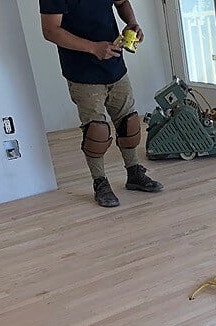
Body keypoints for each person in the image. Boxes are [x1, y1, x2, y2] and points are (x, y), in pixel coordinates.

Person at [40, 0, 164, 207]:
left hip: (115, 64)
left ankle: (134, 173)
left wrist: (132, 23)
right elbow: (50, 30)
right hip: (82, 72)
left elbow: (122, 2)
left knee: (129, 123)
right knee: (96, 132)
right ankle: (100, 183)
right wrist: (93, 48)